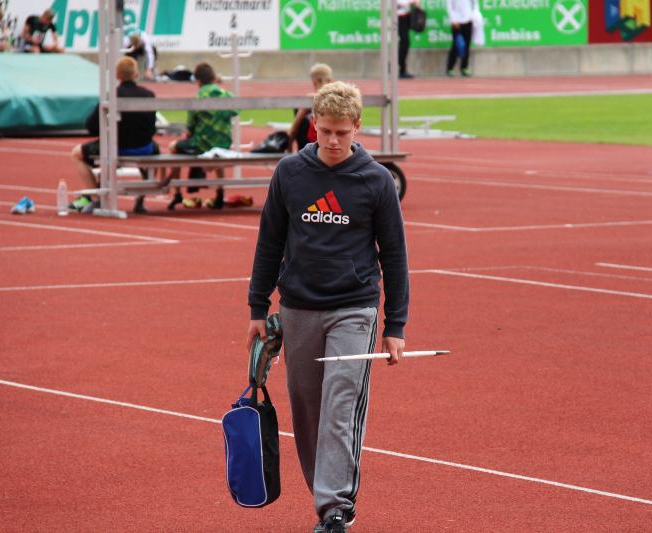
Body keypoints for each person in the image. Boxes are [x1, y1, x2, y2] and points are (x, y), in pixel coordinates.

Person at [246, 81, 409, 533]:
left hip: (354, 309)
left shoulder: (376, 180)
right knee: (307, 412)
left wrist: (395, 325)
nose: (333, 141)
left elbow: (395, 255)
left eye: (342, 132)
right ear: (313, 124)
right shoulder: (289, 173)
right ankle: (325, 499)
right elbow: (269, 242)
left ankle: (335, 508)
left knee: (340, 404)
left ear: (357, 126)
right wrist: (257, 307)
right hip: (299, 307)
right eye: (325, 131)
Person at [70, 57, 158, 214]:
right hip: (144, 148)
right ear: (136, 74)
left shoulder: (111, 96)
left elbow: (92, 127)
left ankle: (96, 198)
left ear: (117, 75)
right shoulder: (149, 95)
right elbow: (152, 126)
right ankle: (141, 197)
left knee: (76, 153)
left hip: (117, 147)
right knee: (156, 150)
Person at [166, 62, 237, 210]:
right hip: (224, 144)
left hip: (201, 145)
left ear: (198, 81)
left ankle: (177, 193)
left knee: (173, 147)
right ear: (214, 77)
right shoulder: (227, 95)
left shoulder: (199, 97)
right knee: (218, 151)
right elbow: (235, 111)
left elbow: (190, 128)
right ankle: (220, 193)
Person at [288, 63, 333, 152]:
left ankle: (302, 151)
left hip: (311, 146)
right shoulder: (337, 99)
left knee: (299, 111)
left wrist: (289, 146)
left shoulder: (311, 99)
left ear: (314, 82)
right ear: (330, 80)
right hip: (330, 142)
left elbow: (294, 127)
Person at [446, 0, 474, 76]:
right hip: (456, 21)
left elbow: (474, 4)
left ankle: (464, 67)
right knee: (456, 45)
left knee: (467, 45)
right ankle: (450, 68)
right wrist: (453, 20)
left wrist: (473, 16)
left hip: (468, 20)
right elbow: (449, 7)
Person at [397, 0, 420, 79]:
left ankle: (401, 69)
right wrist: (411, 2)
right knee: (404, 41)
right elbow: (397, 4)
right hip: (399, 17)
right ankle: (398, 66)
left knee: (405, 43)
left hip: (407, 16)